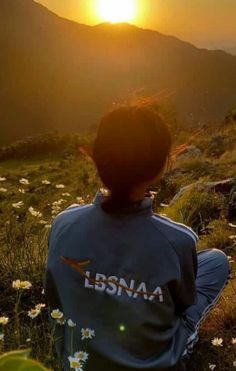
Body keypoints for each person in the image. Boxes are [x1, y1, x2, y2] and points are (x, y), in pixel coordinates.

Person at [45, 105, 231, 371]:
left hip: (77, 362)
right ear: (159, 167)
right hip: (158, 363)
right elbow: (182, 304)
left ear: (97, 159)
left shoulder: (64, 222)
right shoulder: (178, 240)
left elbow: (55, 292)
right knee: (217, 261)